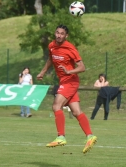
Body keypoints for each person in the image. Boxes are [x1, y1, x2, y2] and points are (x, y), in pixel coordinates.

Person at [37, 24, 97, 154]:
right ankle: (90, 136)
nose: (59, 35)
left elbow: (82, 67)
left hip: (70, 81)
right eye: (57, 32)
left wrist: (69, 71)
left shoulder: (70, 48)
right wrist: (42, 72)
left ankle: (61, 136)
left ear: (66, 36)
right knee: (76, 112)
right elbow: (50, 59)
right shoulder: (52, 46)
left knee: (56, 106)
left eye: (62, 33)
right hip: (64, 81)